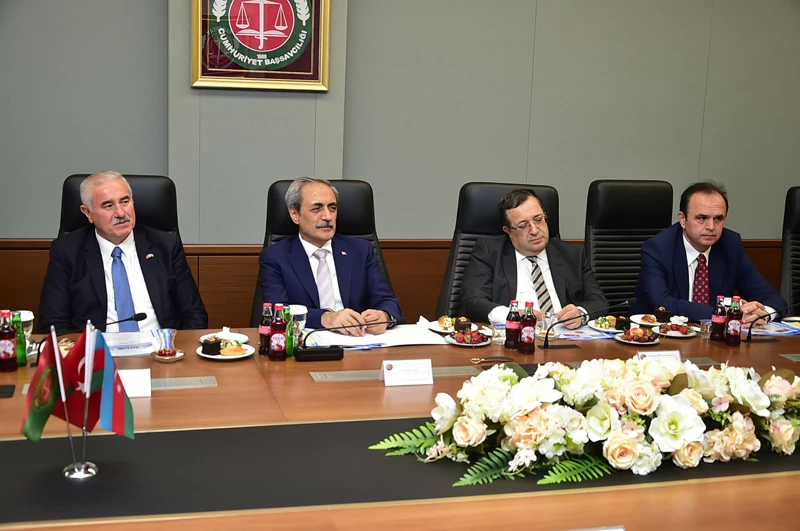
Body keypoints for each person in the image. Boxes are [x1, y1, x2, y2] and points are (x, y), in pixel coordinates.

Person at [37, 172, 208, 334]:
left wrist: (175, 349)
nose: (120, 213)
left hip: (161, 349)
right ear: (88, 213)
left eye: (125, 201)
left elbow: (194, 313)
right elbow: (53, 324)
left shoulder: (165, 245)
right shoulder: (67, 251)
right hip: (98, 350)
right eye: (108, 205)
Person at [259, 177, 401, 335]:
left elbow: (388, 301)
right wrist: (325, 318)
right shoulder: (275, 257)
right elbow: (278, 311)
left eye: (332, 208)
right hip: (307, 340)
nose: (327, 216)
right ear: (295, 214)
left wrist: (384, 315)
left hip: (358, 340)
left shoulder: (360, 250)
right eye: (316, 209)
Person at [631, 181, 786, 323]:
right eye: (702, 218)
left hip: (713, 338)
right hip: (659, 334)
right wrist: (725, 313)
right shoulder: (658, 248)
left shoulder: (730, 245)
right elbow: (662, 303)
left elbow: (773, 299)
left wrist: (763, 314)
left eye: (718, 219)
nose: (711, 227)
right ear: (683, 219)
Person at [461, 189, 608, 328]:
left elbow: (599, 301)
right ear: (508, 231)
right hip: (513, 338)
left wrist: (581, 313)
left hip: (564, 338)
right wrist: (511, 315)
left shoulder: (573, 254)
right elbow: (473, 301)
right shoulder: (489, 252)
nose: (534, 230)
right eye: (523, 225)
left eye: (538, 219)